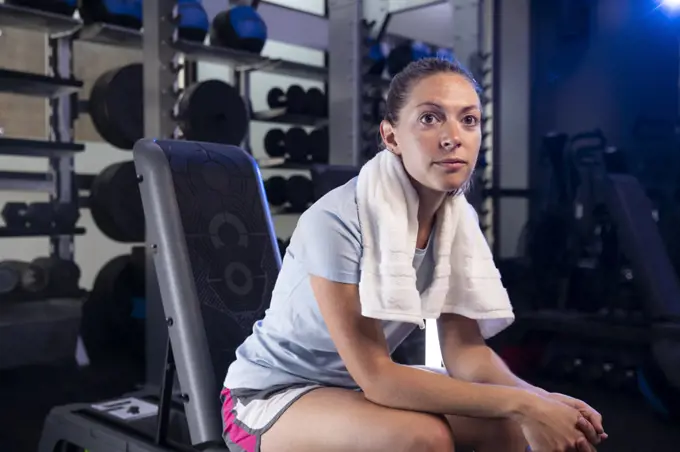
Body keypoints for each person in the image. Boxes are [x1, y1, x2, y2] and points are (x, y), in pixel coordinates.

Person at [221, 58, 607, 452]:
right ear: (391, 137)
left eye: (468, 120)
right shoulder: (334, 219)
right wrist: (524, 405)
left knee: (503, 428)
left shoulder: (457, 221)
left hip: (353, 387)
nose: (452, 137)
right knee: (423, 439)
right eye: (429, 119)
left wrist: (540, 400)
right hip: (272, 395)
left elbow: (466, 352)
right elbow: (379, 377)